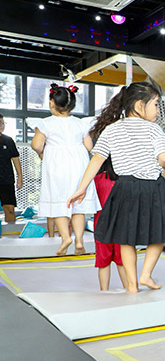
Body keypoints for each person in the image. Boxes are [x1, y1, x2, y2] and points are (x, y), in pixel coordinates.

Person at [68, 82, 165, 293]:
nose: (158, 111)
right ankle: (146, 274)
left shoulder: (112, 129)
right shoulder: (153, 129)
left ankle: (132, 285)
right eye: (156, 105)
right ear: (140, 105)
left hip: (124, 188)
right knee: (159, 234)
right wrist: (160, 164)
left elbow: (96, 160)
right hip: (151, 187)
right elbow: (164, 157)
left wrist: (81, 188)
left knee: (125, 238)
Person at [31, 84, 100, 255]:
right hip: (79, 165)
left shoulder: (46, 123)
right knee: (77, 204)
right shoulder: (81, 124)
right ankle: (79, 240)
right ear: (73, 106)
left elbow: (36, 145)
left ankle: (65, 238)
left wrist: (42, 153)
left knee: (58, 202)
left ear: (51, 103)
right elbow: (89, 147)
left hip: (56, 165)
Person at [91, 157, 127, 291]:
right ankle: (129, 288)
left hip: (101, 224)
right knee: (122, 260)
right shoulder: (125, 180)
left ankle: (104, 291)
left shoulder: (97, 179)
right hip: (121, 224)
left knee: (103, 261)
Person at [0, 114, 22, 223]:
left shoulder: (8, 140)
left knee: (9, 209)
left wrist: (20, 177)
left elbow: (15, 159)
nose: (1, 125)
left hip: (6, 180)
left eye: (3, 123)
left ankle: (11, 233)